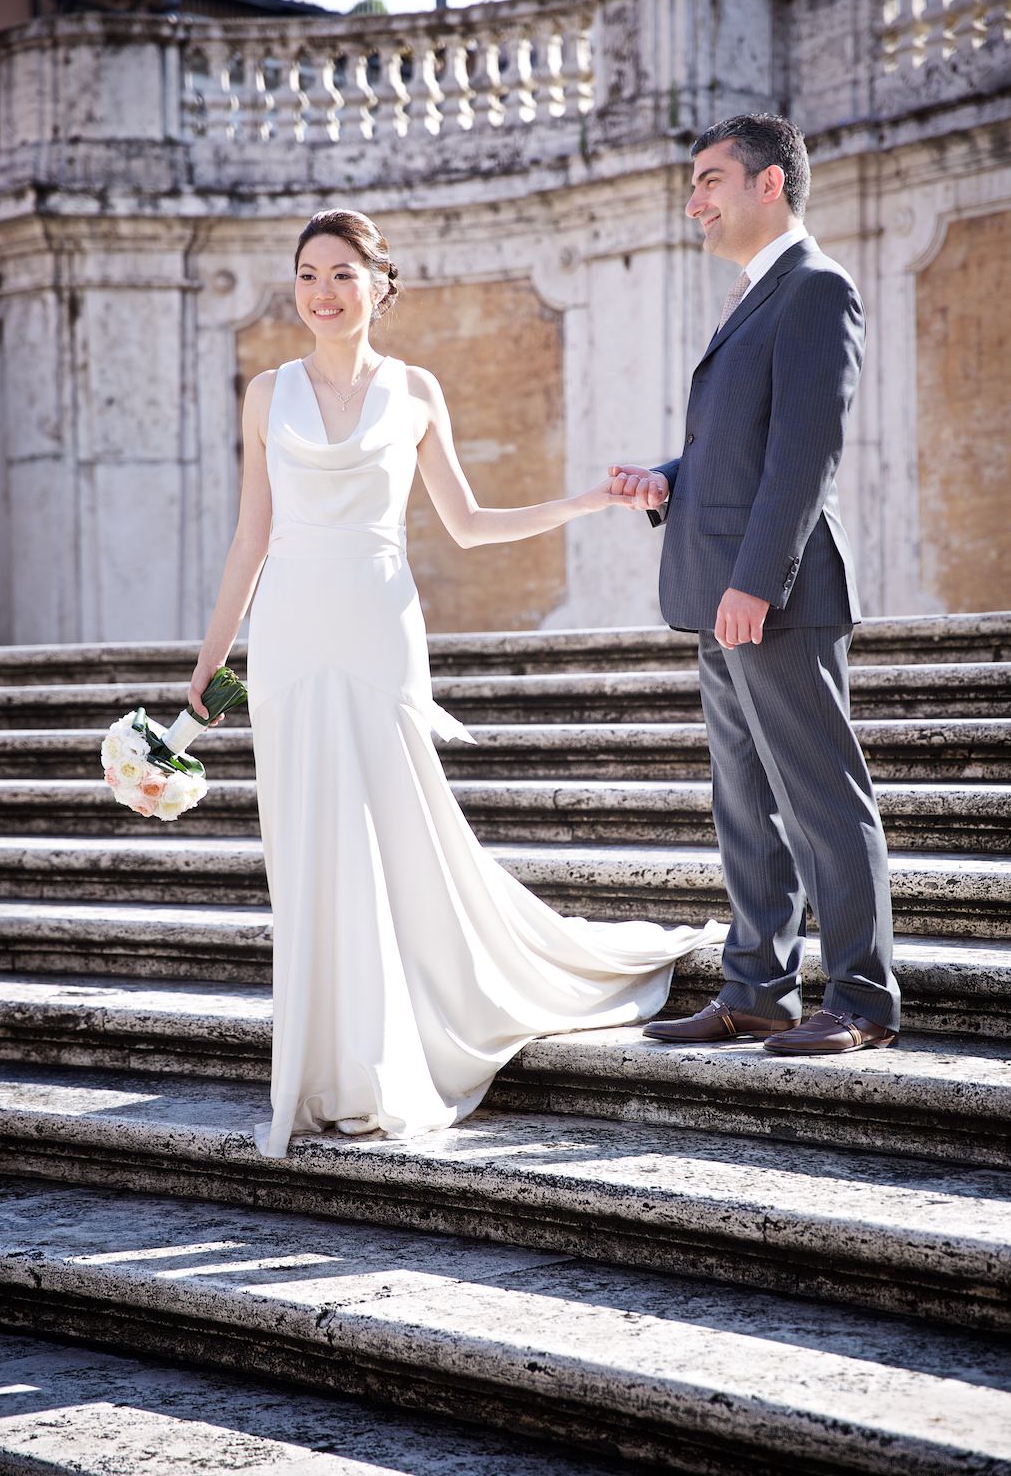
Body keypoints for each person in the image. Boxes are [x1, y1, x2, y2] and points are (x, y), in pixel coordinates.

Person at [188, 207, 724, 1158]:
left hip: (380, 632)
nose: (322, 292)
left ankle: (386, 1065)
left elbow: (471, 525)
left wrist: (592, 499)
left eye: (343, 274)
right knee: (309, 850)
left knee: (393, 841)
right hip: (290, 637)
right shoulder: (267, 393)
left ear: (379, 285)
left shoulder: (417, 390)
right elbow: (249, 536)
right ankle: (323, 1075)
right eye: (308, 274)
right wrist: (212, 654)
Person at [610, 113, 900, 1056]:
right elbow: (738, 452)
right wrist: (668, 480)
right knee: (744, 804)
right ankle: (757, 989)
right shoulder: (751, 296)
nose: (694, 201)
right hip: (717, 592)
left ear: (769, 183)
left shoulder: (817, 290)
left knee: (821, 798)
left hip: (777, 594)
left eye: (709, 180)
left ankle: (859, 998)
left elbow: (806, 453)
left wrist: (758, 582)